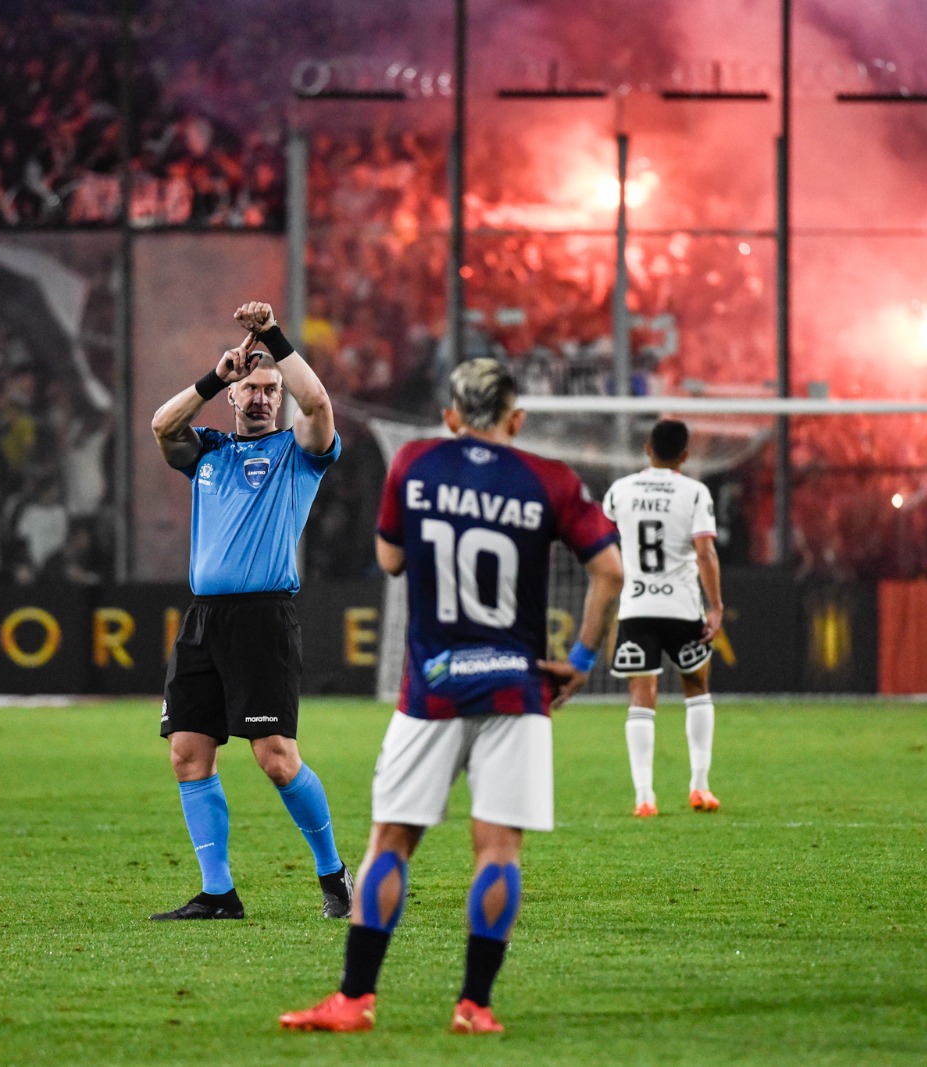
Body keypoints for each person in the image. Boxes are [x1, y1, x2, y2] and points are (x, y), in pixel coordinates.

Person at [280, 357, 624, 1034]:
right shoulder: (549, 480)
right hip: (516, 687)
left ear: (450, 417)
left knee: (391, 841)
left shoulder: (414, 461)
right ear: (517, 419)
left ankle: (354, 999)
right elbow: (609, 569)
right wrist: (581, 660)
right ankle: (475, 1004)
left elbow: (389, 560)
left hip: (431, 685)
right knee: (498, 850)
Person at [147, 300, 352, 922]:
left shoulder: (300, 453)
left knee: (275, 758)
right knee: (187, 751)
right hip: (205, 619)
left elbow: (318, 405)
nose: (262, 398)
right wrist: (217, 375)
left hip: (264, 618)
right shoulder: (206, 452)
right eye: (251, 389)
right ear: (234, 397)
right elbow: (161, 425)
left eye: (271, 390)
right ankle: (218, 893)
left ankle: (334, 873)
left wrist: (273, 340)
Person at [601, 419, 725, 817]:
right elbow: (705, 553)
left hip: (637, 606)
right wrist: (716, 605)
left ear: (646, 446)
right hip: (682, 606)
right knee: (697, 686)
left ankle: (643, 796)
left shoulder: (620, 490)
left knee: (641, 696)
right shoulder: (694, 492)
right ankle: (700, 786)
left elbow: (603, 540)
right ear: (685, 456)